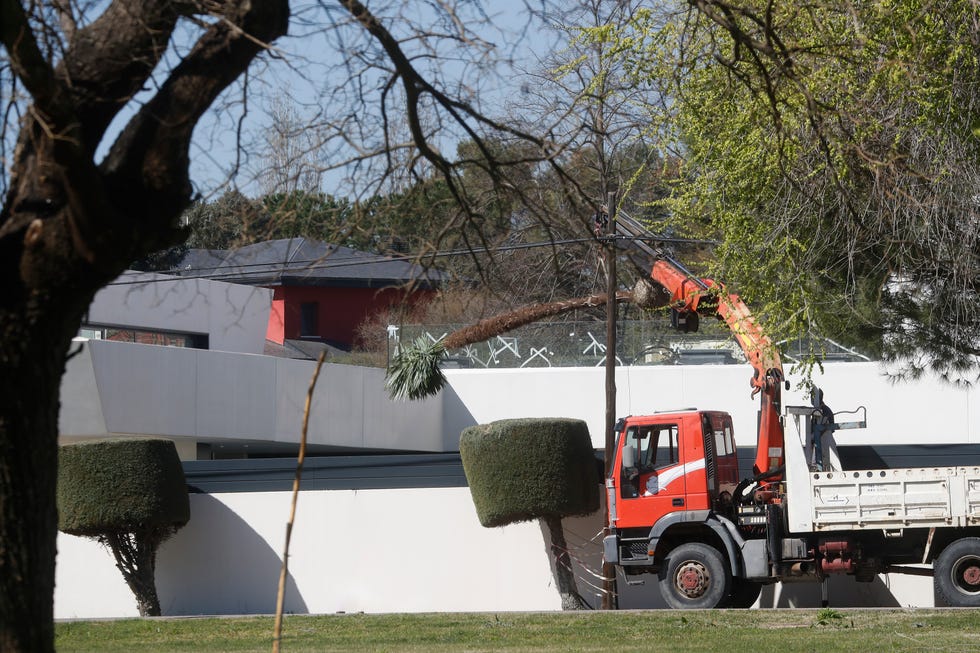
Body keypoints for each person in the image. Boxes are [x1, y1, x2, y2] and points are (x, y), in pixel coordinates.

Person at [810, 387, 836, 471]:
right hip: (818, 445)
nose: (811, 399)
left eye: (812, 397)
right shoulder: (819, 410)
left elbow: (828, 430)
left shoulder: (824, 411)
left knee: (823, 467)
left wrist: (812, 437)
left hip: (823, 445)